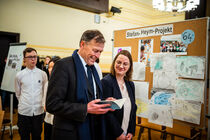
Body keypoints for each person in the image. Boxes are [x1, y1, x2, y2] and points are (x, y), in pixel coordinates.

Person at [46, 30, 113, 140]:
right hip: (70, 133)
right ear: (82, 44)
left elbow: (92, 97)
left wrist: (105, 102)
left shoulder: (94, 68)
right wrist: (85, 109)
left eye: (100, 52)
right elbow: (52, 104)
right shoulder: (63, 66)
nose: (98, 55)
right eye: (95, 50)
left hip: (92, 129)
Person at [101, 50, 137, 140]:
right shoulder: (106, 82)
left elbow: (133, 109)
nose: (121, 66)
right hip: (112, 134)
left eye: (125, 64)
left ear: (129, 67)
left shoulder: (130, 84)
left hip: (127, 134)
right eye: (119, 62)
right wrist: (119, 134)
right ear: (114, 63)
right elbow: (107, 113)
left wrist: (131, 131)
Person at [14, 47, 48, 140]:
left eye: (35, 56)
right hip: (24, 111)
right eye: (30, 57)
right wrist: (25, 103)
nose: (33, 59)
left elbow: (45, 92)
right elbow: (18, 93)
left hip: (38, 112)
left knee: (37, 136)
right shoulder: (19, 75)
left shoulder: (43, 74)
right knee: (24, 136)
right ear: (24, 59)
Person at [43, 56, 61, 140]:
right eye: (49, 67)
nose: (50, 70)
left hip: (59, 121)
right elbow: (44, 102)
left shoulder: (64, 84)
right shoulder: (47, 83)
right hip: (48, 119)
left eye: (53, 67)